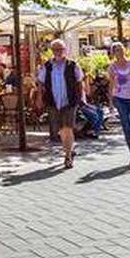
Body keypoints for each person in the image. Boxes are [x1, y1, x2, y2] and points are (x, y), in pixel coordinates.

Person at [39, 39, 83, 169]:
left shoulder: (72, 65)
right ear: (52, 51)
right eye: (55, 50)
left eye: (60, 49)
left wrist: (80, 98)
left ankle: (68, 156)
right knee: (61, 130)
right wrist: (39, 98)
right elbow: (41, 82)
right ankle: (69, 150)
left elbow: (80, 81)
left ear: (65, 50)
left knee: (67, 128)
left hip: (69, 101)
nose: (58, 52)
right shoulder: (47, 66)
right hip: (53, 102)